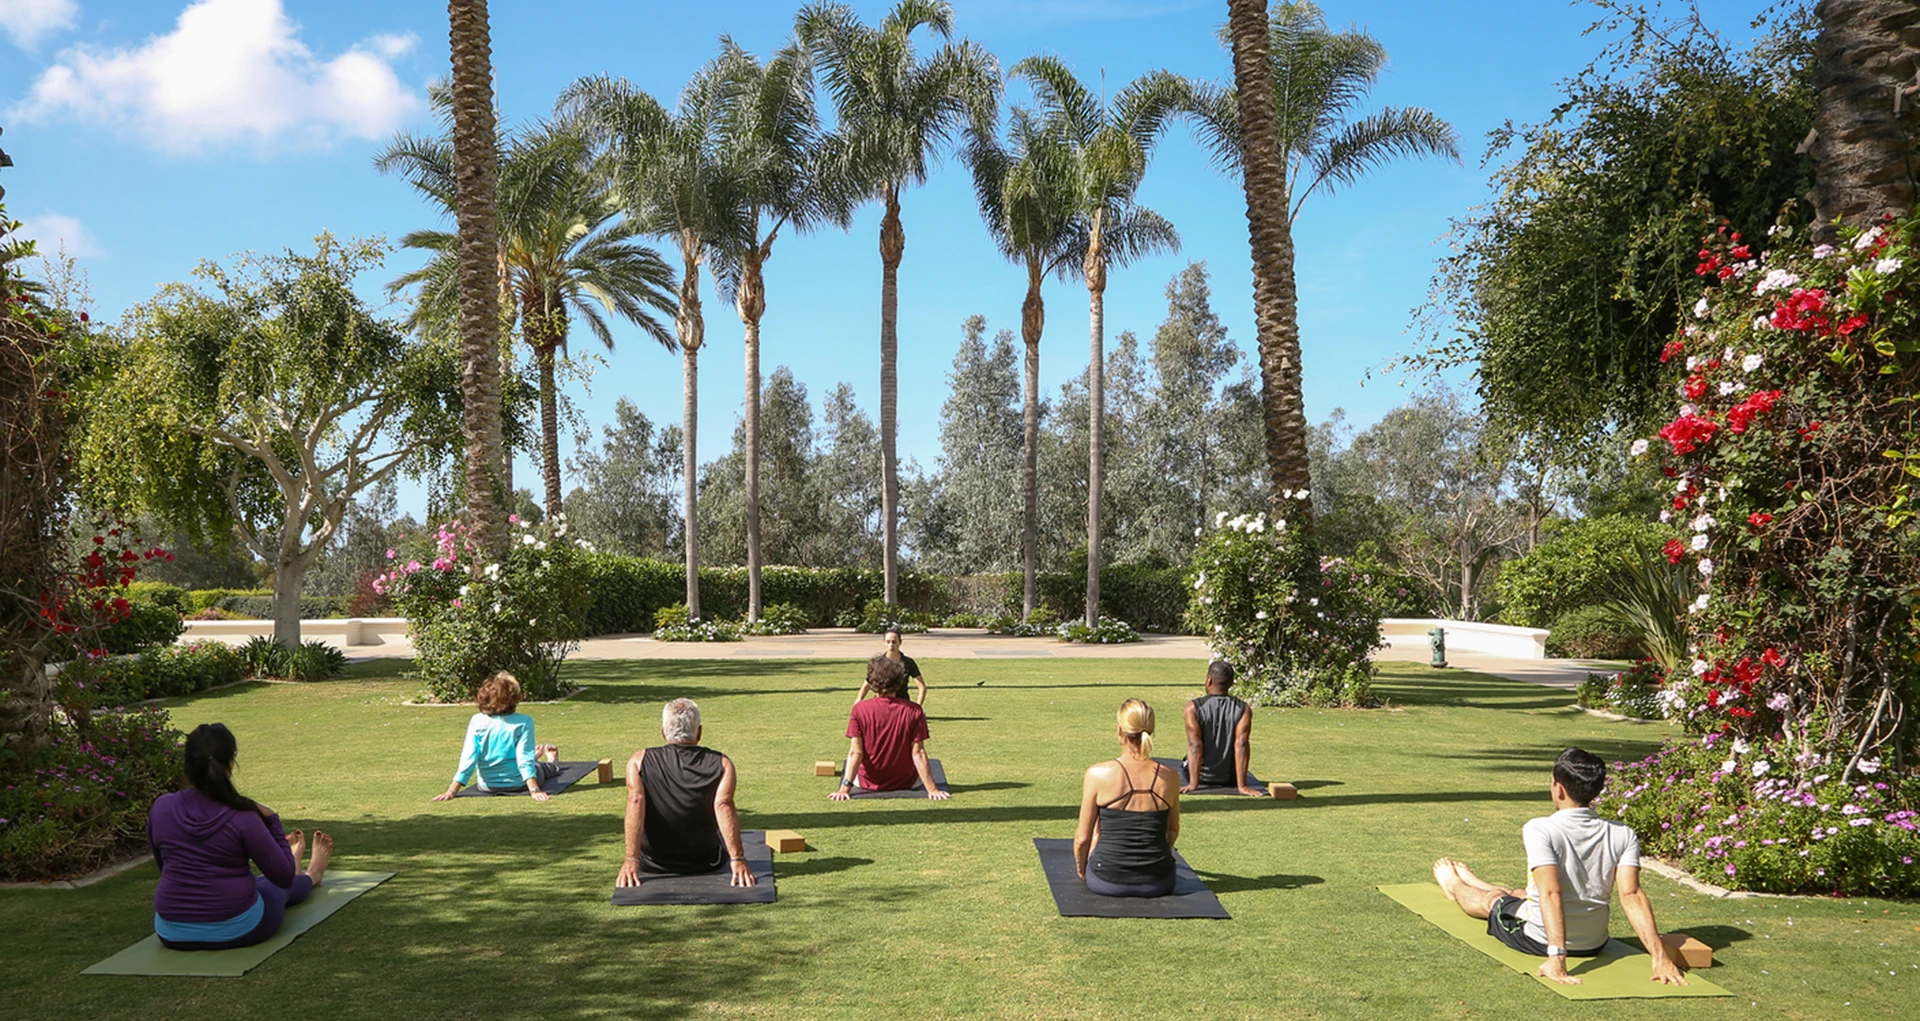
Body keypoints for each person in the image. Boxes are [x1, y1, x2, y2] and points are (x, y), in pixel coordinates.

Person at [1433, 748, 1688, 987]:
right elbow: (1631, 895)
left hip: (1539, 940)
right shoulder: (1623, 833)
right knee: (1522, 894)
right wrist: (1659, 956)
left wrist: (1557, 956)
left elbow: (1551, 893)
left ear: (1559, 789)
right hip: (1594, 943)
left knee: (1493, 901)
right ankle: (1476, 881)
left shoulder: (1540, 829)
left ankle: (1454, 884)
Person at [147, 723, 334, 950]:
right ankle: (312, 875)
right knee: (279, 885)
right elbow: (282, 879)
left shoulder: (161, 807)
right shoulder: (242, 815)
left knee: (260, 882)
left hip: (171, 932)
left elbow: (164, 866)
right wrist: (273, 819)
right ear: (230, 765)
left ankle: (293, 864)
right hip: (238, 928)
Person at [616, 698, 754, 888]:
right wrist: (737, 859)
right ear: (699, 732)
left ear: (663, 732)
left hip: (653, 864)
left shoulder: (638, 761)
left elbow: (635, 801)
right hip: (705, 862)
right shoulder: (723, 763)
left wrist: (631, 860)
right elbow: (723, 805)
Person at [1074, 699, 1182, 897]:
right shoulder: (1170, 777)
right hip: (1159, 882)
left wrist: (1082, 868)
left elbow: (1082, 839)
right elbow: (1173, 830)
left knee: (1099, 829)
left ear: (1119, 731)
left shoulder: (1098, 774)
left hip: (1105, 879)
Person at [831, 655, 947, 801]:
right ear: (899, 682)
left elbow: (856, 753)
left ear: (872, 682)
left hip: (868, 782)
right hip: (906, 783)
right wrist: (932, 789)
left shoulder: (859, 709)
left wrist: (844, 789)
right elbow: (918, 753)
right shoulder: (915, 710)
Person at [432, 671, 561, 801]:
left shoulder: (477, 721)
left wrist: (452, 791)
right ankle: (552, 763)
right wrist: (534, 790)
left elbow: (469, 758)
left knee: (530, 762)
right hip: (518, 784)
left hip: (487, 786)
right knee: (540, 768)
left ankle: (535, 759)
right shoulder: (524, 721)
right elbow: (524, 758)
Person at [1182, 659, 1262, 797]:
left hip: (1202, 778)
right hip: (1230, 779)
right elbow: (1241, 744)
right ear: (1231, 684)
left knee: (1184, 761)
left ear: (1209, 681)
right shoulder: (1244, 709)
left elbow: (1195, 745)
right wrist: (1242, 786)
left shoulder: (1192, 708)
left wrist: (1193, 785)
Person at [854, 629, 928, 706]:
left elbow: (921, 687)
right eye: (888, 642)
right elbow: (867, 684)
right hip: (881, 703)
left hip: (902, 704)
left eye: (894, 642)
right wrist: (858, 700)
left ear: (900, 642)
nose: (891, 645)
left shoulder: (908, 663)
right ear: (884, 643)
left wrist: (918, 706)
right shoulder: (878, 662)